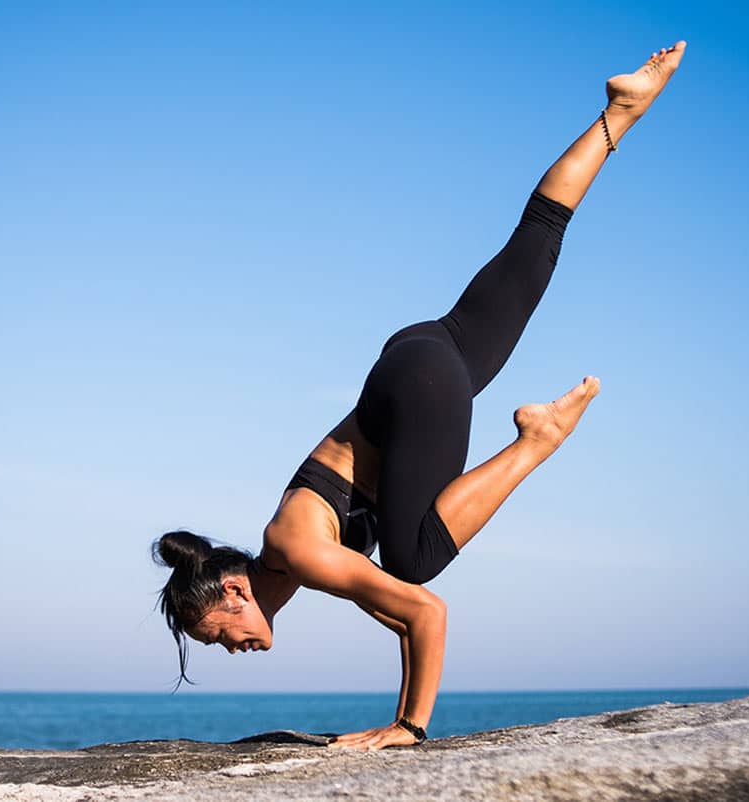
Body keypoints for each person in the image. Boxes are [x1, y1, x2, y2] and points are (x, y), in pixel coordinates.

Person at [152, 41, 687, 751]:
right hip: (419, 359)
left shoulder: (297, 551)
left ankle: (536, 440)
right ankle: (622, 111)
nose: (229, 649)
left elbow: (423, 611)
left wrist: (407, 726)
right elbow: (396, 615)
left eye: (218, 637)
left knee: (413, 560)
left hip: (419, 389)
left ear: (233, 594)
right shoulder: (289, 558)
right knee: (535, 245)